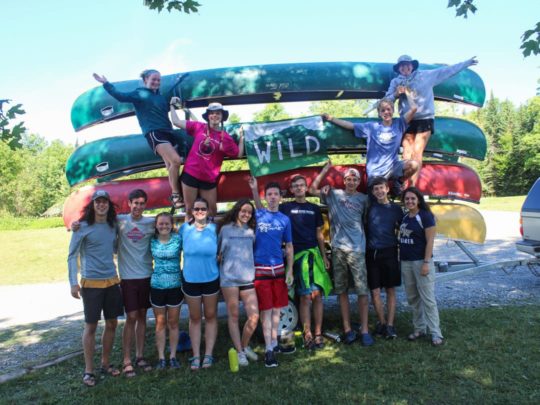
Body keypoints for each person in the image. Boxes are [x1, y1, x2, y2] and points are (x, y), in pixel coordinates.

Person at [72, 189, 155, 377]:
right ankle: (99, 368)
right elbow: (73, 253)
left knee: (124, 320)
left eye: (142, 203)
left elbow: (166, 224)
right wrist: (73, 282)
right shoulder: (113, 222)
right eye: (136, 203)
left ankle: (122, 360)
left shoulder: (138, 223)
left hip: (126, 279)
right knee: (105, 323)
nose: (139, 207)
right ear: (129, 203)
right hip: (110, 280)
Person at [93, 70, 185, 208]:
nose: (157, 82)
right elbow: (121, 96)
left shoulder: (160, 97)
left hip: (168, 132)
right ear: (146, 79)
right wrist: (106, 84)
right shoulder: (139, 93)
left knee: (171, 165)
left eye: (159, 80)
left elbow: (164, 110)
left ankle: (177, 196)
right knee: (176, 160)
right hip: (154, 133)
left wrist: (172, 104)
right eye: (154, 79)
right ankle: (176, 195)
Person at [384, 55, 478, 185]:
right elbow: (387, 100)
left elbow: (447, 71)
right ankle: (403, 185)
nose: (405, 67)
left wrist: (466, 63)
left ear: (412, 66)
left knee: (417, 152)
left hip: (424, 118)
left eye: (408, 65)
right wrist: (396, 93)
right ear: (399, 68)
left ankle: (412, 188)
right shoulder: (395, 82)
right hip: (406, 120)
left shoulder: (426, 76)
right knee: (406, 153)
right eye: (402, 65)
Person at [308, 160, 374, 346]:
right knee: (342, 290)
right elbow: (312, 189)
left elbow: (368, 221)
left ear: (358, 181)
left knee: (362, 290)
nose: (351, 181)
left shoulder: (364, 199)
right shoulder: (334, 195)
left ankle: (365, 329)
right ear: (343, 181)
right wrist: (325, 170)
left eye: (355, 179)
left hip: (357, 250)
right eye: (348, 178)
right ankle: (347, 328)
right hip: (338, 249)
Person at [68, 190, 123, 387]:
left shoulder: (112, 225)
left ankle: (105, 364)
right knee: (90, 326)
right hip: (91, 283)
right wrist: (73, 282)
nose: (101, 205)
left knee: (112, 324)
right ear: (92, 205)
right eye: (97, 202)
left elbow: (116, 246)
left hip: (112, 281)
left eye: (104, 202)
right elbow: (71, 255)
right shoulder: (81, 227)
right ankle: (88, 370)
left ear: (109, 205)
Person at [322, 90, 418, 196]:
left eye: (388, 109)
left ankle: (398, 182)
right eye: (383, 110)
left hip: (393, 167)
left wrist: (407, 92)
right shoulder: (372, 127)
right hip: (376, 171)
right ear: (379, 113)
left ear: (393, 110)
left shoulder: (399, 124)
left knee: (413, 165)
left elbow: (414, 109)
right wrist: (331, 119)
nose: (386, 112)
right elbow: (350, 126)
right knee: (376, 201)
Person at [279, 175, 332, 349]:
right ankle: (307, 332)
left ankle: (318, 333)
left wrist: (324, 256)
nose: (300, 188)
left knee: (318, 296)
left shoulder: (314, 208)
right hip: (296, 257)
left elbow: (319, 235)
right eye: (296, 186)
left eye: (302, 185)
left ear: (306, 188)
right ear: (292, 190)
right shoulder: (284, 207)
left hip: (314, 256)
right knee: (304, 297)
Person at [170, 101, 244, 218]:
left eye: (218, 113)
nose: (214, 116)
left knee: (212, 211)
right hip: (191, 174)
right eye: (212, 113)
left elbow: (239, 154)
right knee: (189, 210)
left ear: (222, 117)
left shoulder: (226, 137)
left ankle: (209, 235)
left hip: (209, 179)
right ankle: (188, 235)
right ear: (208, 116)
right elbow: (176, 121)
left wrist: (242, 137)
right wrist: (172, 106)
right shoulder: (199, 127)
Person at [249, 178, 294, 368]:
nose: (273, 197)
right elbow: (257, 206)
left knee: (277, 310)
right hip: (261, 271)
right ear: (265, 197)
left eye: (276, 194)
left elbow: (289, 246)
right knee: (265, 312)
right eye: (269, 194)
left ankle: (274, 343)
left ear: (280, 197)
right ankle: (268, 349)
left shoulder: (285, 220)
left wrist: (290, 269)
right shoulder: (258, 215)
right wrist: (253, 189)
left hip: (279, 270)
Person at [399, 187, 444, 346]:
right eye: (407, 199)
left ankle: (435, 333)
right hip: (406, 263)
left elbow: (430, 241)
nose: (410, 201)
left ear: (418, 200)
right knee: (413, 298)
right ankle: (419, 328)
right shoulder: (405, 217)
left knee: (428, 299)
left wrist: (426, 262)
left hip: (421, 262)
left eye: (413, 198)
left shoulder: (425, 216)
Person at [217, 199, 259, 366]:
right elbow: (218, 252)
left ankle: (244, 345)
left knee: (254, 317)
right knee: (233, 316)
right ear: (236, 211)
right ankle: (240, 353)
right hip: (229, 279)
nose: (246, 214)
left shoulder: (251, 231)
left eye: (249, 212)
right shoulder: (225, 230)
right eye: (243, 211)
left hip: (247, 278)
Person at [179, 198, 220, 370]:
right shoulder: (184, 229)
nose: (200, 211)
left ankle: (208, 355)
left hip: (211, 278)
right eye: (197, 209)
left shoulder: (215, 229)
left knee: (210, 316)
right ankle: (196, 356)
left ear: (209, 211)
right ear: (192, 211)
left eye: (203, 208)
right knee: (195, 318)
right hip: (191, 280)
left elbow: (224, 248)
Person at [365, 177, 404, 339]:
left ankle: (390, 325)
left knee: (390, 290)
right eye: (376, 189)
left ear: (387, 189)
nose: (379, 191)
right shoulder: (369, 208)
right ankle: (381, 323)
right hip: (372, 253)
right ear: (373, 192)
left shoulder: (396, 209)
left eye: (382, 188)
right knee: (374, 292)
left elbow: (405, 228)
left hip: (390, 252)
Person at [150, 212, 183, 370]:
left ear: (172, 225)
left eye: (167, 223)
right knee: (160, 322)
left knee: (173, 323)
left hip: (175, 286)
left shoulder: (178, 239)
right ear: (156, 225)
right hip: (157, 286)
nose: (164, 226)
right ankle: (161, 357)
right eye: (161, 224)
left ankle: (173, 356)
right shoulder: (151, 241)